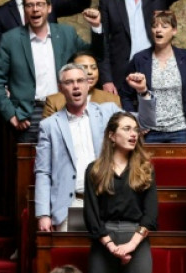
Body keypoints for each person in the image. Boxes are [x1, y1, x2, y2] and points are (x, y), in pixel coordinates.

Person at [0, 0, 103, 143]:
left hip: (63, 107)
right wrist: (11, 114)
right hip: (29, 114)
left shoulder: (66, 33)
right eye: (29, 5)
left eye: (40, 4)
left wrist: (96, 27)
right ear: (25, 10)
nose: (35, 9)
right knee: (30, 164)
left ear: (49, 8)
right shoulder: (11, 39)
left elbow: (95, 54)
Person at [34, 63, 122, 232]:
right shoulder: (49, 126)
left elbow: (145, 123)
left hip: (107, 202)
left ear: (88, 84)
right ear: (60, 88)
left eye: (80, 80)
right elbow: (43, 172)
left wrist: (143, 93)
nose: (76, 86)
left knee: (107, 256)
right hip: (71, 205)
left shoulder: (108, 112)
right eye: (69, 82)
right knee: (70, 256)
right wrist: (43, 214)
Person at [83, 112, 156, 273]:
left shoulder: (146, 169)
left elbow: (151, 215)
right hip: (103, 239)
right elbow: (91, 215)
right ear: (112, 136)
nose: (133, 134)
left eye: (136, 130)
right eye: (127, 129)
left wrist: (130, 246)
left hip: (136, 237)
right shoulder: (94, 170)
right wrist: (111, 246)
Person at [119, 12, 186, 143]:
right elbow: (125, 94)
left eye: (164, 26)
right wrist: (134, 118)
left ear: (174, 31)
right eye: (154, 26)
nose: (158, 30)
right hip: (149, 131)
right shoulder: (140, 59)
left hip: (181, 130)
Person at [43, 51, 121, 118]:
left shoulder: (112, 100)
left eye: (94, 68)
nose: (90, 72)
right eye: (84, 68)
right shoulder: (54, 101)